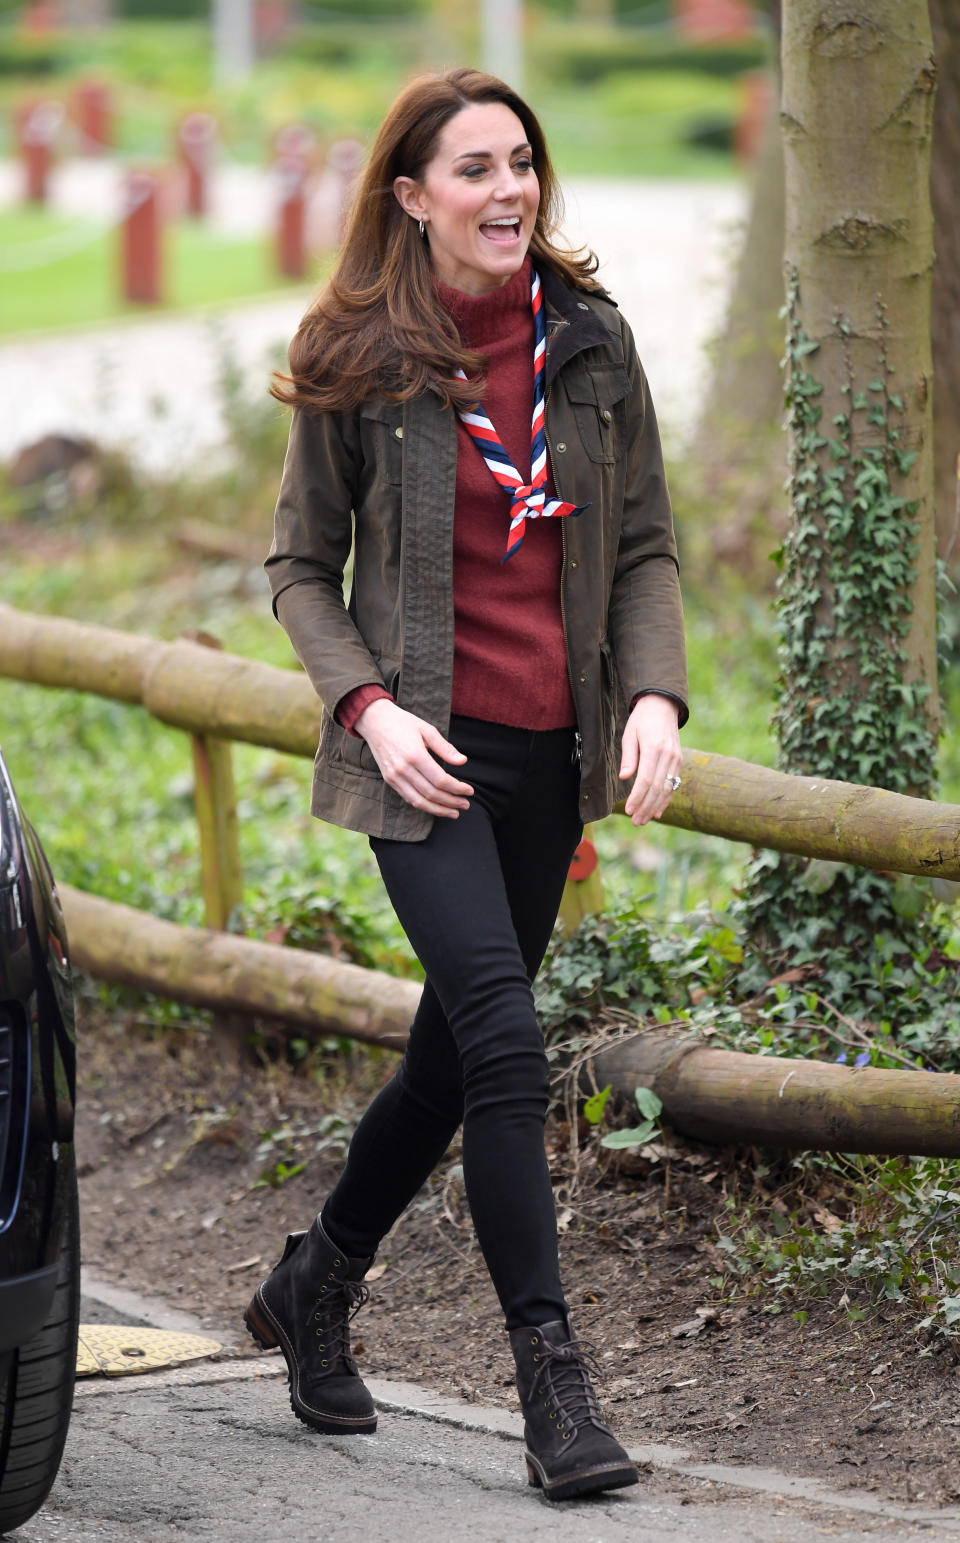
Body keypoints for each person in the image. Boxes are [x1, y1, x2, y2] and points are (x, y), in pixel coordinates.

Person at [249, 66, 688, 1503]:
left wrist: (657, 695)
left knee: (449, 1060)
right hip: (421, 760)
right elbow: (300, 571)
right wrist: (368, 710)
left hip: (547, 761)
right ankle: (553, 1386)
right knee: (505, 1048)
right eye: (477, 170)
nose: (510, 192)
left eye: (523, 164)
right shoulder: (359, 356)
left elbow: (644, 552)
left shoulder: (595, 347)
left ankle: (313, 1282)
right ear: (415, 197)